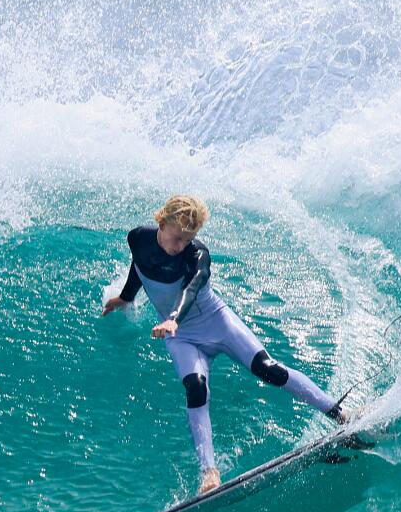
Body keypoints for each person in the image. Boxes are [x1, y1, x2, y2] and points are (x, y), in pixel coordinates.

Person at [103, 194, 351, 494]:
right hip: (182, 336)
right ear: (162, 222)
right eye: (178, 237)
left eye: (188, 239)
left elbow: (192, 287)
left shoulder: (197, 255)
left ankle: (339, 414)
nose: (181, 246)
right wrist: (126, 297)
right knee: (195, 386)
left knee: (267, 368)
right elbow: (140, 266)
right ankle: (209, 473)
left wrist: (173, 317)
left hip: (215, 321)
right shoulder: (137, 239)